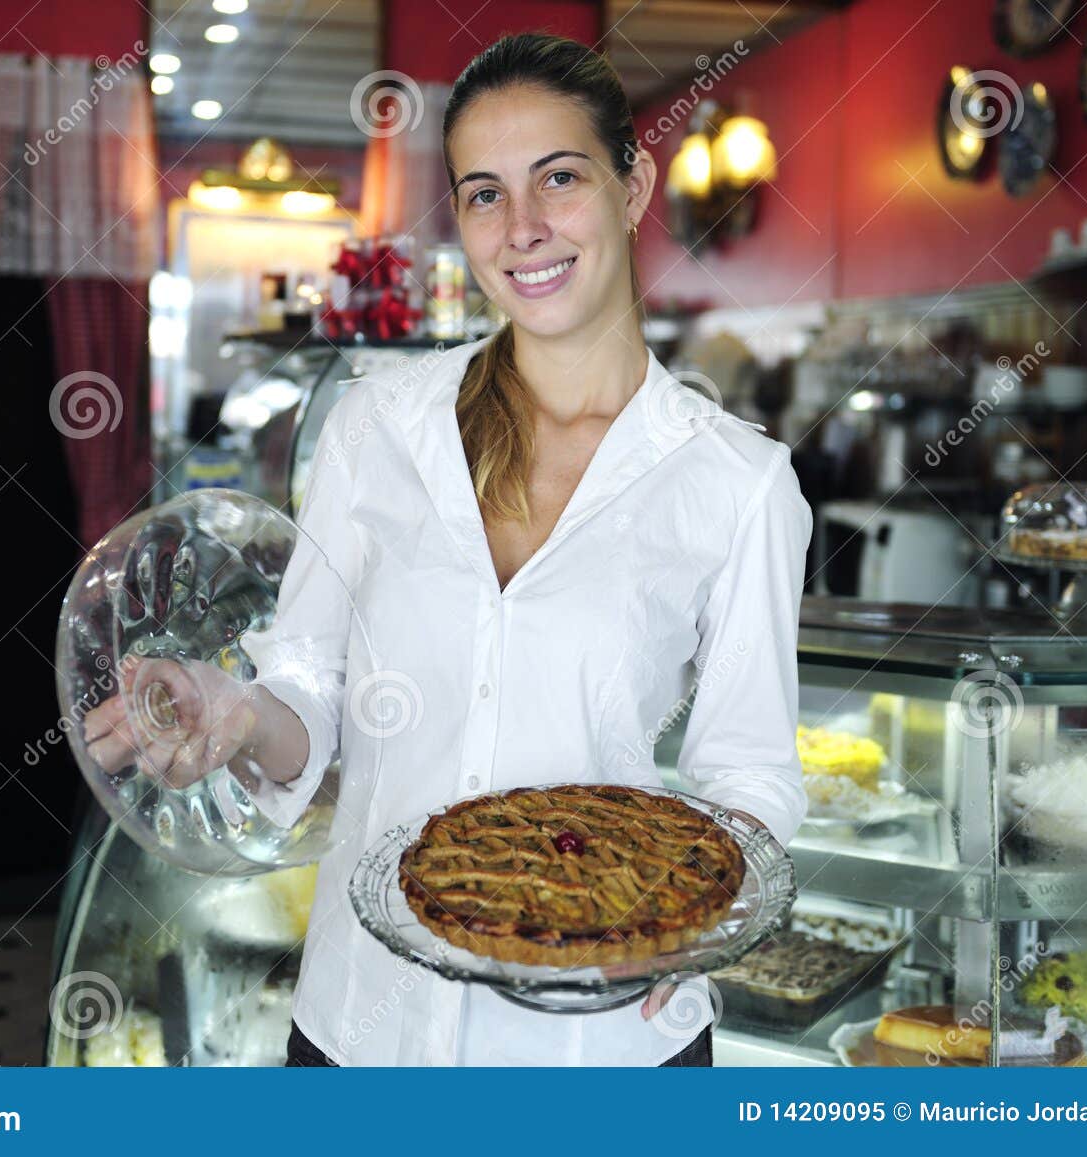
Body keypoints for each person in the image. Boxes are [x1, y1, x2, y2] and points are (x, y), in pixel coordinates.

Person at [83, 31, 812, 1066]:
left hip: (601, 1046)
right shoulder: (376, 424)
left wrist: (693, 919)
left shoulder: (737, 482)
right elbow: (305, 690)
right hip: (361, 1023)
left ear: (633, 181)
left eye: (558, 178)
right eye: (483, 194)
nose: (523, 229)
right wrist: (239, 709)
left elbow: (748, 766)